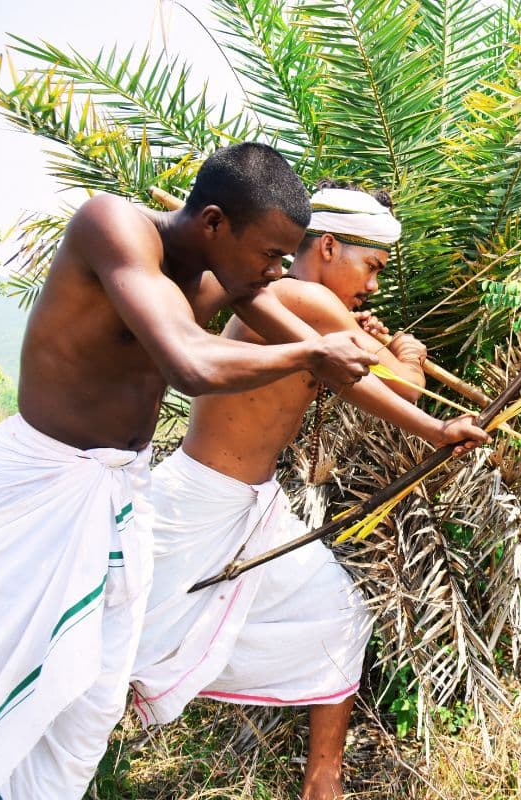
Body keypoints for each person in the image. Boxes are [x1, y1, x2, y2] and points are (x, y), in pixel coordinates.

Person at [0, 144, 383, 799]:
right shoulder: (109, 223)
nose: (275, 270)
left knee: (86, 691)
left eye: (284, 258)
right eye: (269, 255)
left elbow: (343, 363)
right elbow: (188, 364)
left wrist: (433, 425)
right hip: (42, 481)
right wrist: (320, 351)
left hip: (122, 487)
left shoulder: (220, 280)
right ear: (215, 223)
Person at [131, 182, 488, 800]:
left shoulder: (288, 298)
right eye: (371, 266)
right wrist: (405, 350)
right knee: (110, 643)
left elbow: (349, 375)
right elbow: (402, 388)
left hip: (250, 503)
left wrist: (367, 337)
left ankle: (323, 785)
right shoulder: (303, 298)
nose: (373, 285)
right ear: (327, 245)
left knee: (337, 615)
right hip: (200, 503)